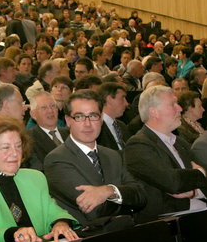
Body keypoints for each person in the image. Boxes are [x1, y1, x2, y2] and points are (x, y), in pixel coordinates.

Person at [44, 89, 147, 226]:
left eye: (93, 116)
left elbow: (141, 196)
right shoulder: (57, 159)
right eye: (79, 117)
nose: (87, 124)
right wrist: (128, 203)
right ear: (68, 121)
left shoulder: (113, 155)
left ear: (101, 118)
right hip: (89, 239)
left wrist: (109, 191)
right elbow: (95, 211)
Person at [124, 85, 207, 223]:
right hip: (169, 224)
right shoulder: (138, 145)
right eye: (172, 104)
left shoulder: (179, 142)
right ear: (154, 112)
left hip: (198, 215)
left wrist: (194, 192)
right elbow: (173, 182)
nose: (180, 108)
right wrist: (202, 173)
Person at [27, 92, 69, 171]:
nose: (50, 111)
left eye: (53, 106)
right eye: (44, 108)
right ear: (33, 114)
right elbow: (38, 170)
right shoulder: (29, 139)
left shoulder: (70, 133)